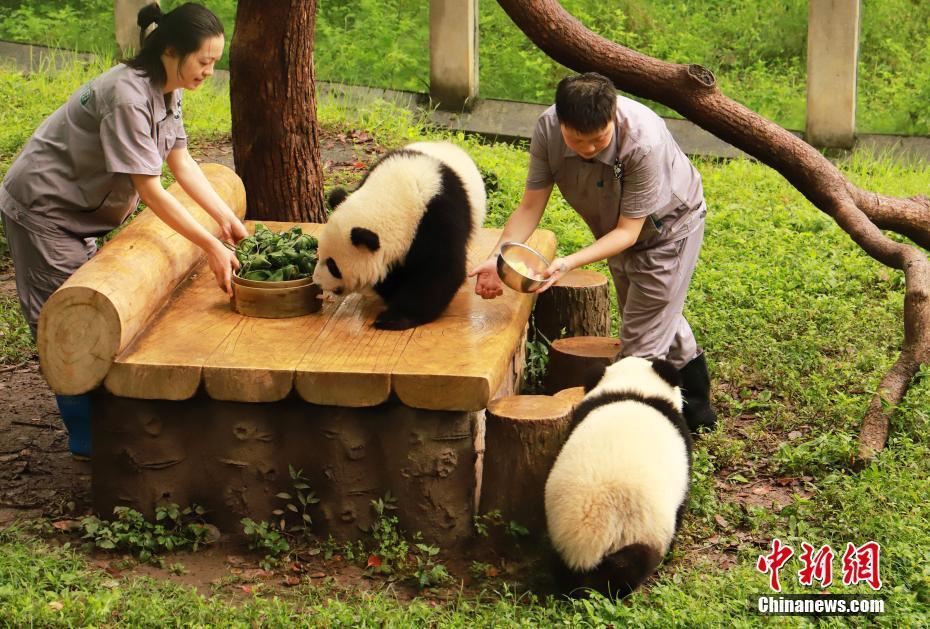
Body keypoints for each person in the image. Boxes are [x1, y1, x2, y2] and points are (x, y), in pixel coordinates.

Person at [0, 2, 247, 457]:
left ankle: (106, 420)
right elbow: (151, 189)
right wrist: (211, 244)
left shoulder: (167, 89)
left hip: (82, 210)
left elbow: (183, 164)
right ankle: (87, 440)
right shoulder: (128, 97)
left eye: (215, 62)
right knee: (69, 320)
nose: (210, 72)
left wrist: (229, 220)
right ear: (172, 51)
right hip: (45, 208)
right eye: (205, 61)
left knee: (93, 308)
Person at [469, 72, 716, 432]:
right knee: (654, 311)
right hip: (613, 228)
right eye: (577, 139)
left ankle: (638, 437)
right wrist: (497, 256)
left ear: (613, 116)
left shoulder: (643, 142)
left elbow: (629, 232)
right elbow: (529, 207)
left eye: (598, 139)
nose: (587, 149)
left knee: (639, 351)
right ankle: (696, 408)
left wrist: (565, 264)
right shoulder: (547, 129)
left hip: (667, 231)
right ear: (561, 121)